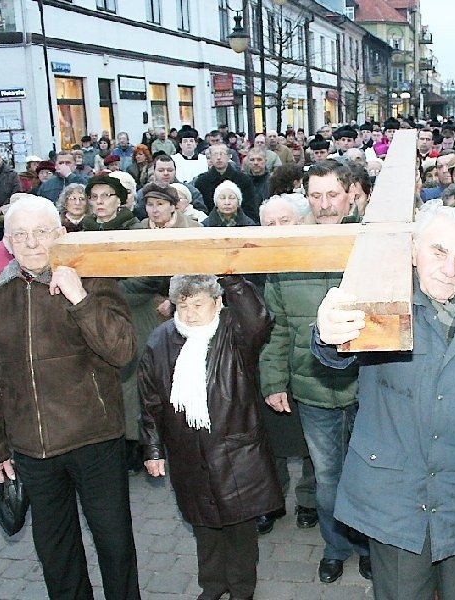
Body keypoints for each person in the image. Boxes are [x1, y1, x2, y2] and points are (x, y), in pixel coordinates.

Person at [313, 202, 455, 600]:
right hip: (395, 497)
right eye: (438, 252)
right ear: (414, 249)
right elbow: (335, 357)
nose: (449, 269)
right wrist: (328, 333)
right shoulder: (383, 305)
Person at [0, 195, 141, 599]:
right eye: (21, 234)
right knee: (56, 553)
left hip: (94, 438)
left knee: (115, 544)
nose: (33, 243)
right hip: (32, 449)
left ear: (61, 235)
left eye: (42, 232)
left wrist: (79, 298)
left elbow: (122, 351)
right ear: (7, 243)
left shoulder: (93, 280)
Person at [259, 160, 370, 585]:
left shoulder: (373, 244)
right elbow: (279, 326)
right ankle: (336, 546)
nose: (324, 204)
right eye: (315, 195)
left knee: (366, 473)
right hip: (313, 386)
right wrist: (273, 379)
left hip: (367, 386)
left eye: (332, 194)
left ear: (350, 193)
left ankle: (367, 546)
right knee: (327, 479)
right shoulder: (291, 248)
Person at [139, 274, 283, 600]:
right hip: (188, 453)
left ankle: (242, 590)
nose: (189, 313)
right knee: (203, 527)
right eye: (183, 305)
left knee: (239, 530)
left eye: (198, 304)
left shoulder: (234, 332)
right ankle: (213, 586)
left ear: (218, 303)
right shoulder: (160, 340)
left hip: (236, 452)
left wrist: (231, 278)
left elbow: (260, 320)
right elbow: (150, 401)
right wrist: (152, 449)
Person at [255, 196, 317, 535]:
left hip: (310, 363)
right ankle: (271, 501)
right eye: (270, 224)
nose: (278, 230)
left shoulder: (316, 256)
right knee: (271, 441)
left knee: (310, 442)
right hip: (268, 362)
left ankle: (308, 500)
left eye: (286, 220)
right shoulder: (254, 260)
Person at [194, 144, 259, 222]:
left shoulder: (243, 179)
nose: (218, 158)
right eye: (215, 154)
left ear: (229, 157)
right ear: (210, 158)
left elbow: (250, 208)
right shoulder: (202, 181)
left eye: (222, 154)